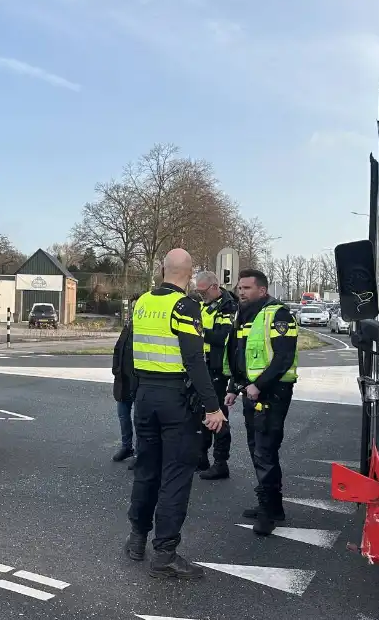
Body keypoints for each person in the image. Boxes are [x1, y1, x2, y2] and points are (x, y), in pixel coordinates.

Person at [125, 248, 226, 579]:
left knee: (146, 470)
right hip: (175, 399)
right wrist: (213, 407)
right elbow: (195, 360)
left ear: (163, 269)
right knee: (175, 477)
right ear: (189, 272)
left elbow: (129, 351)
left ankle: (137, 538)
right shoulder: (186, 306)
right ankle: (165, 553)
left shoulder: (142, 303)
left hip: (145, 397)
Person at [224, 269, 299, 536]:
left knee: (264, 451)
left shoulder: (278, 314)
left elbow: (283, 357)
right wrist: (235, 386)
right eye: (239, 288)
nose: (240, 292)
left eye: (246, 288)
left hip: (272, 391)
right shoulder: (245, 314)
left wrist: (258, 385)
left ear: (262, 290)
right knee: (258, 448)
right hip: (252, 391)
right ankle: (272, 506)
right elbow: (240, 354)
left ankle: (268, 514)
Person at [193, 270, 238, 480]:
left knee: (218, 413)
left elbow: (222, 336)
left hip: (218, 367)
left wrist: (198, 331)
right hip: (202, 364)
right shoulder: (205, 304)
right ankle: (201, 457)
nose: (201, 296)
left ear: (214, 286)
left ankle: (221, 462)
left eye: (203, 292)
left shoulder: (228, 306)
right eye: (198, 293)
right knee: (200, 413)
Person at [111, 317, 138, 466]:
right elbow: (118, 348)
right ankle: (126, 446)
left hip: (138, 381)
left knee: (140, 419)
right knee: (123, 416)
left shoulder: (144, 329)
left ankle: (140, 453)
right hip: (123, 380)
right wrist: (116, 369)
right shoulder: (128, 327)